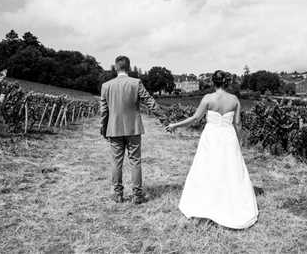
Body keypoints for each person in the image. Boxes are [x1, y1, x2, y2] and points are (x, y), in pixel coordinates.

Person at [165, 70, 258, 229]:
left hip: (212, 137)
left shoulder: (208, 98)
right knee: (230, 168)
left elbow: (195, 118)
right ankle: (229, 202)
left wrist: (175, 125)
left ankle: (208, 201)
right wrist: (240, 140)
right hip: (229, 137)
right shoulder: (234, 99)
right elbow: (238, 124)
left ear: (213, 82)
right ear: (227, 82)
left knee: (207, 167)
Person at [100, 55, 160, 204]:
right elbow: (150, 101)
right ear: (129, 67)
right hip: (133, 128)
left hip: (114, 129)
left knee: (116, 162)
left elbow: (103, 111)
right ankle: (137, 195)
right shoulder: (136, 83)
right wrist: (163, 119)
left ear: (116, 67)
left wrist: (103, 128)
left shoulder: (106, 86)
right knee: (135, 161)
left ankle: (118, 194)